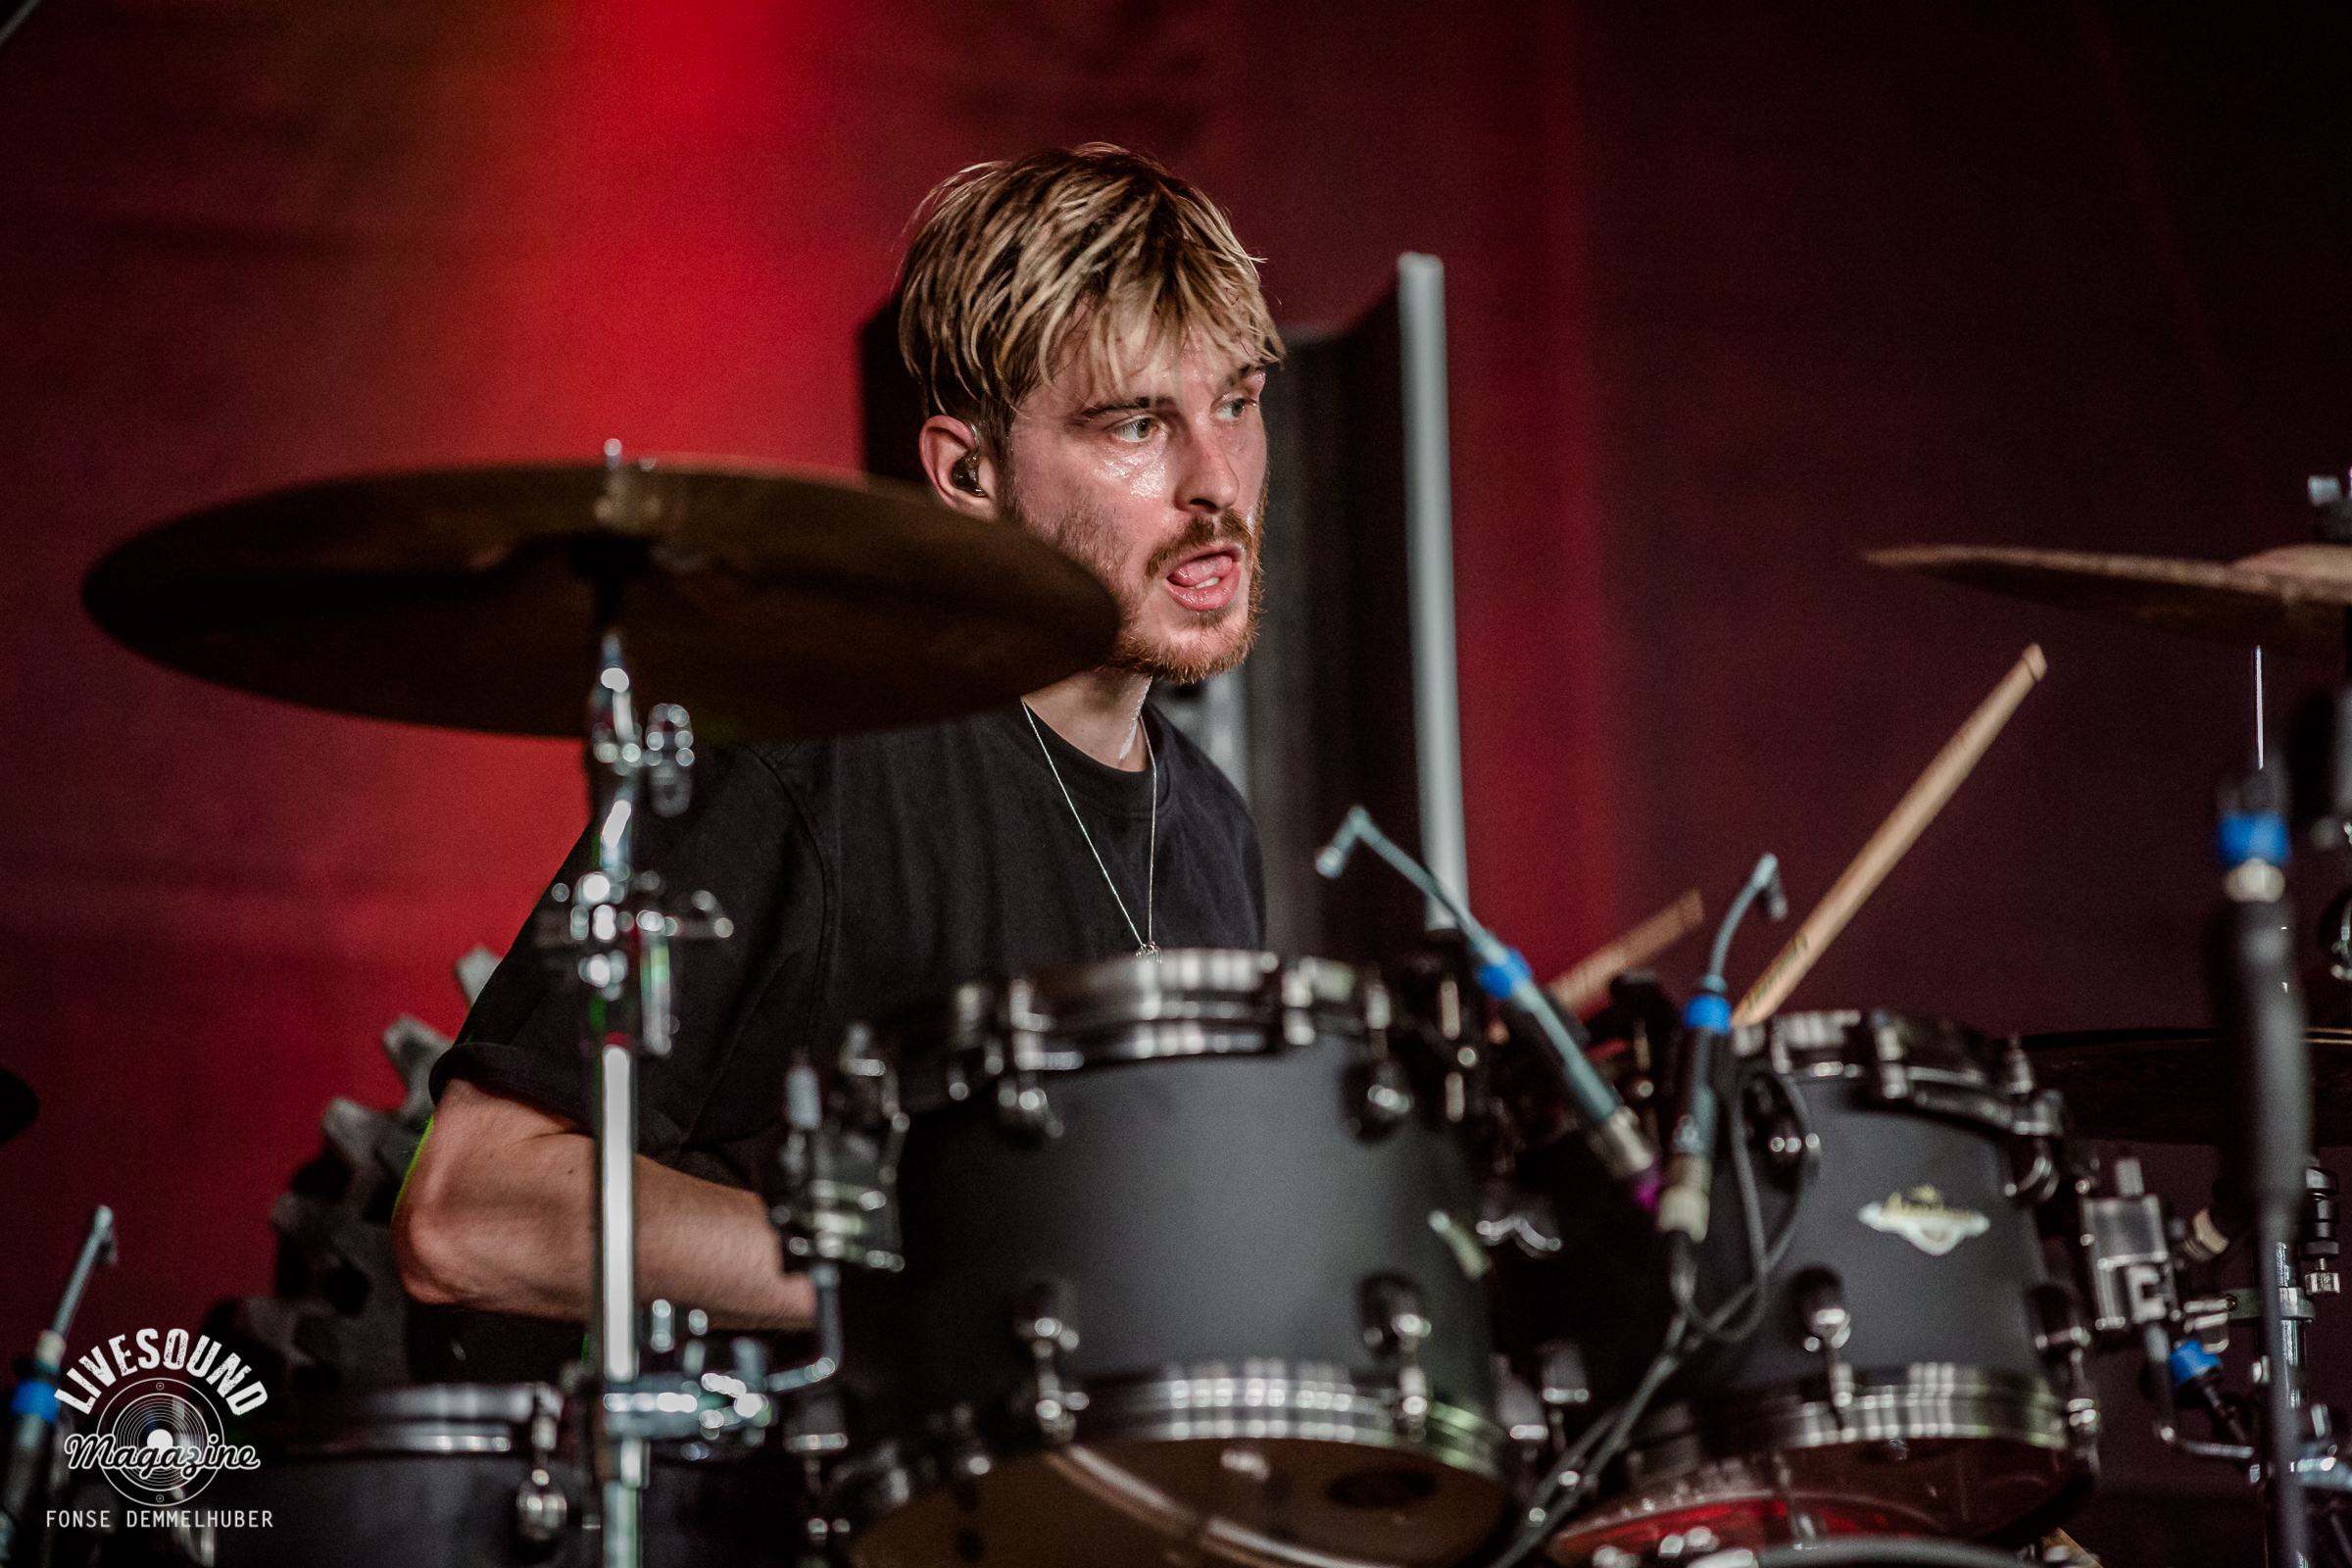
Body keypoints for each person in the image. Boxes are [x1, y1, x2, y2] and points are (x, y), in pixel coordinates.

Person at [391, 144, 1282, 1358]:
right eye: (1137, 423)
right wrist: (919, 1279)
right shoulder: (814, 759)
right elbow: (468, 1208)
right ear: (967, 473)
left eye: (1237, 401)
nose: (1217, 481)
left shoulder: (1215, 831)